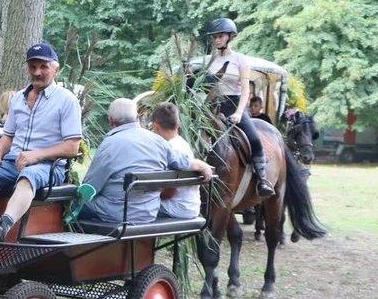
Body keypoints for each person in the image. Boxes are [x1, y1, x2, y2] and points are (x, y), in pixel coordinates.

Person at [0, 43, 82, 243]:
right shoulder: (18, 98)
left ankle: (2, 227)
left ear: (56, 69)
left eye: (43, 67)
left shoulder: (67, 101)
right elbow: (8, 136)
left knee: (29, 174)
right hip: (12, 162)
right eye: (32, 67)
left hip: (48, 167)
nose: (37, 72)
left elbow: (72, 147)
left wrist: (36, 155)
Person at [78, 99, 214, 224]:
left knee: (72, 205)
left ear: (111, 121)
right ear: (137, 117)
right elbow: (183, 162)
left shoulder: (109, 145)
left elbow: (89, 188)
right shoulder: (159, 141)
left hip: (117, 215)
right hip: (148, 213)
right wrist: (203, 165)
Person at [204, 18, 276, 197]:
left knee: (254, 138)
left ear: (231, 37)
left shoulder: (240, 60)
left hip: (235, 104)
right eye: (214, 37)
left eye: (219, 36)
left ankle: (262, 180)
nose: (216, 40)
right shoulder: (210, 61)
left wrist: (238, 113)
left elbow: (245, 91)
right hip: (213, 106)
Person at [149, 102, 202, 219]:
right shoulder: (182, 143)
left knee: (138, 207)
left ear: (155, 126)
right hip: (191, 206)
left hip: (176, 208)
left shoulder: (169, 149)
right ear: (178, 123)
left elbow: (169, 193)